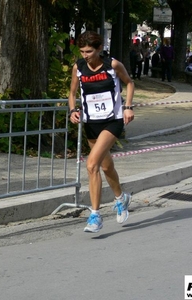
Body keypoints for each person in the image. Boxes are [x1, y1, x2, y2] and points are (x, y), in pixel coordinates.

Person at [68, 31, 135, 233]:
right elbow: (72, 93)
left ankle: (95, 215)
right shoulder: (78, 68)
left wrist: (128, 106)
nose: (85, 55)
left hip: (112, 121)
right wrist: (72, 110)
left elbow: (130, 83)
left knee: (91, 165)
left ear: (99, 49)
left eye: (89, 51)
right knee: (106, 167)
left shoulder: (112, 65)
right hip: (91, 123)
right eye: (82, 51)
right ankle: (121, 198)